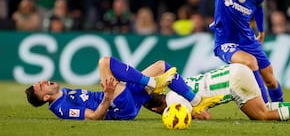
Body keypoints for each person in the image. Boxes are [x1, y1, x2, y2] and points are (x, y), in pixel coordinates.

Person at [201, 0, 283, 104]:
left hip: (248, 40)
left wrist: (260, 31)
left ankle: (279, 106)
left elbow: (259, 9)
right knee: (250, 62)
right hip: (225, 42)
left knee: (271, 80)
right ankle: (265, 107)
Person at [25, 57, 222, 120]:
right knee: (104, 62)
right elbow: (94, 117)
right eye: (40, 87)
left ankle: (196, 102)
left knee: (162, 66)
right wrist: (108, 96)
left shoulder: (64, 93)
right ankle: (152, 84)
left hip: (124, 101)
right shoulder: (62, 108)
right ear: (44, 98)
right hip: (116, 107)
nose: (44, 81)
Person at [145, 63, 290, 122]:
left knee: (262, 116)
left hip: (234, 81)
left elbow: (205, 116)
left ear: (155, 110)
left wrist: (191, 115)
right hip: (233, 71)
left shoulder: (174, 101)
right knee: (263, 109)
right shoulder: (175, 89)